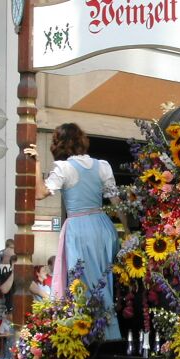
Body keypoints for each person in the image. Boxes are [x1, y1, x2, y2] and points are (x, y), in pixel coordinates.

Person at [24, 123, 128, 340]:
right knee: (104, 281)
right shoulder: (102, 166)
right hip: (103, 226)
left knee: (80, 283)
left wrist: (37, 163)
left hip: (79, 228)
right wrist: (127, 231)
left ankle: (84, 333)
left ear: (59, 143)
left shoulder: (64, 168)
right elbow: (116, 201)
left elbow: (40, 194)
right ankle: (108, 331)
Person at [0, 256, 17, 359]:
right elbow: (4, 289)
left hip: (24, 314)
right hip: (10, 314)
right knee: (9, 344)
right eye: (15, 264)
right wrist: (14, 273)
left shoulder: (26, 276)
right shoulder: (5, 275)